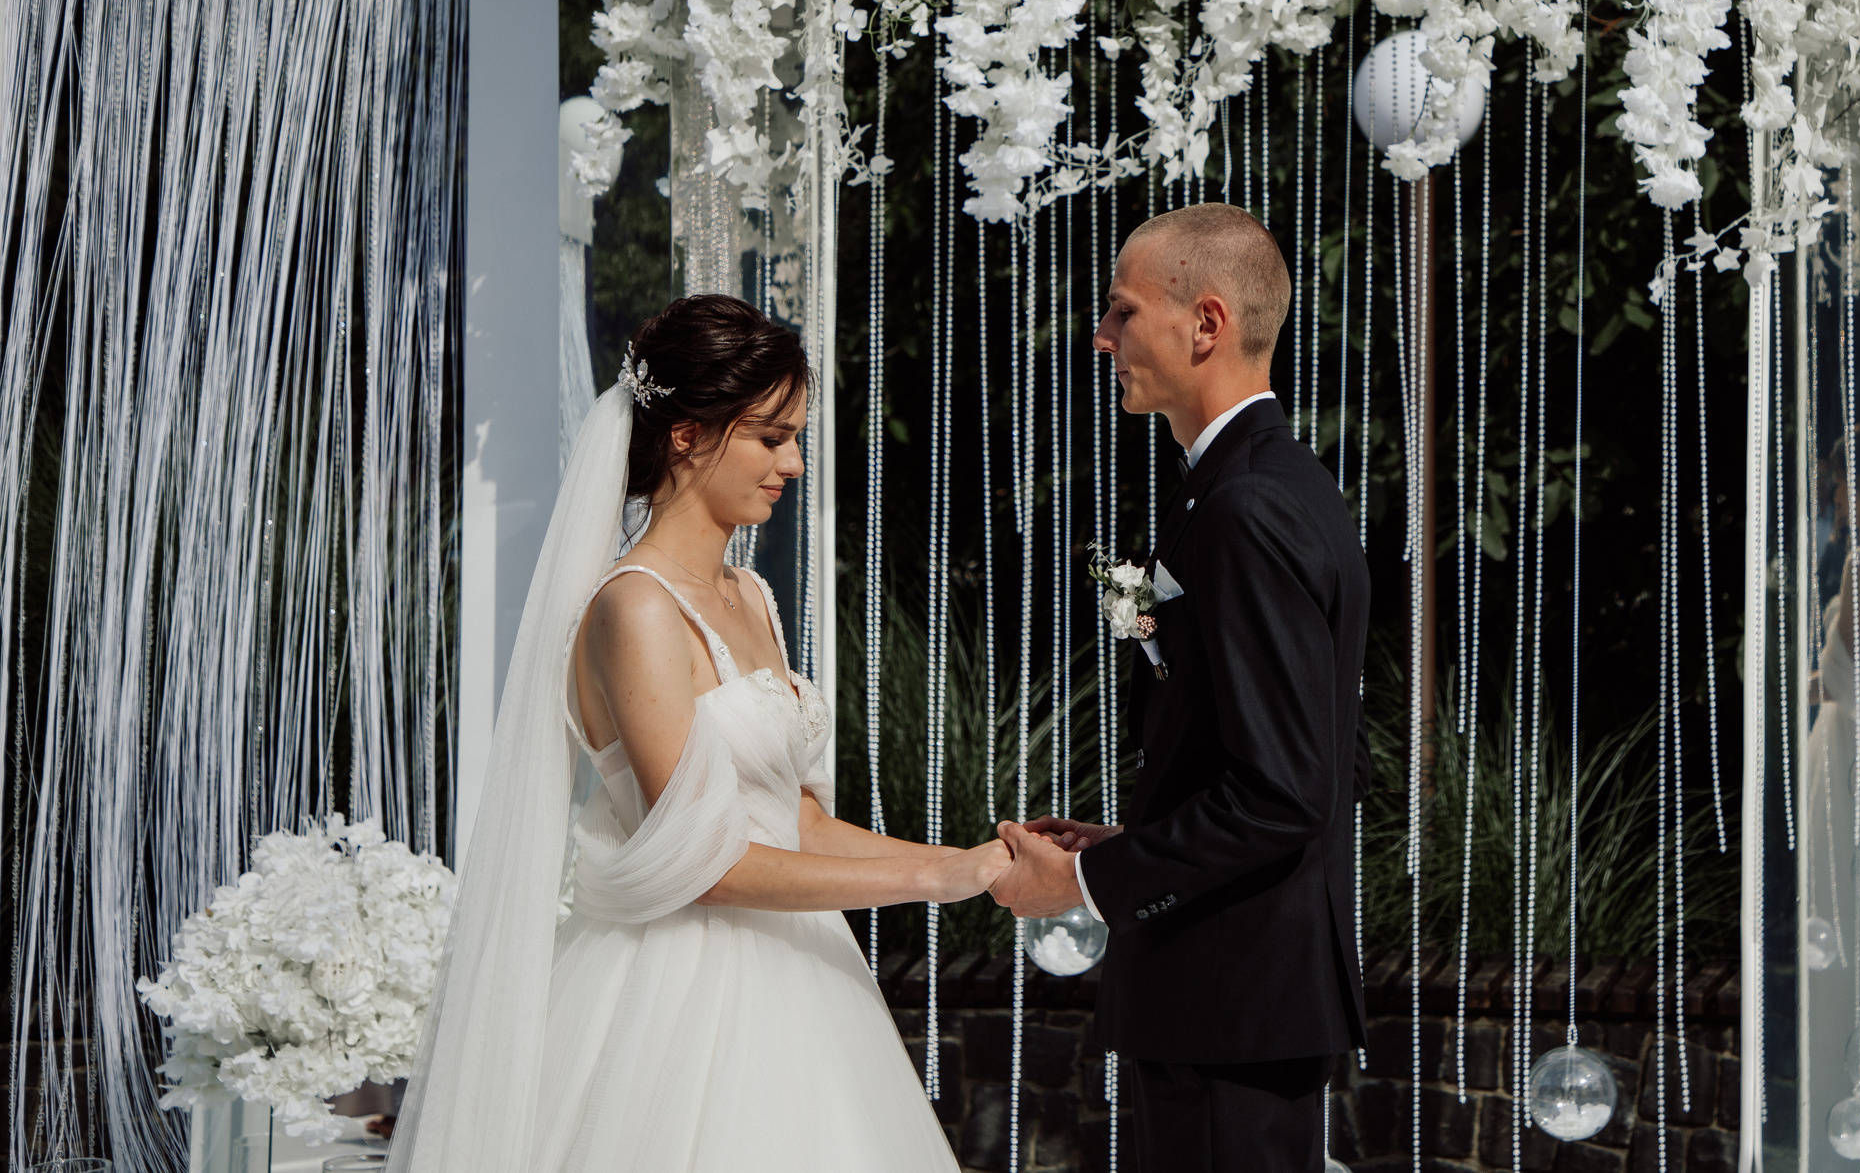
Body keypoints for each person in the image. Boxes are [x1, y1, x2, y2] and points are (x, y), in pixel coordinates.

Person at [391, 295, 1009, 1173]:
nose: (793, 462)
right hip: (678, 996)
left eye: (796, 436)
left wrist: (971, 861)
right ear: (685, 434)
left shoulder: (749, 596)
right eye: (770, 435)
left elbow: (795, 821)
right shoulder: (635, 607)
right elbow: (703, 864)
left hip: (803, 973)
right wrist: (935, 876)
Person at [990, 203, 1371, 1173]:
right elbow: (1282, 754)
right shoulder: (1270, 485)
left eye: (1121, 312)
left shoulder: (1245, 509)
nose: (1102, 336)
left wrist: (1085, 880)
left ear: (1205, 324)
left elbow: (1286, 790)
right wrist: (1138, 841)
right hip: (1238, 994)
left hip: (1231, 997)